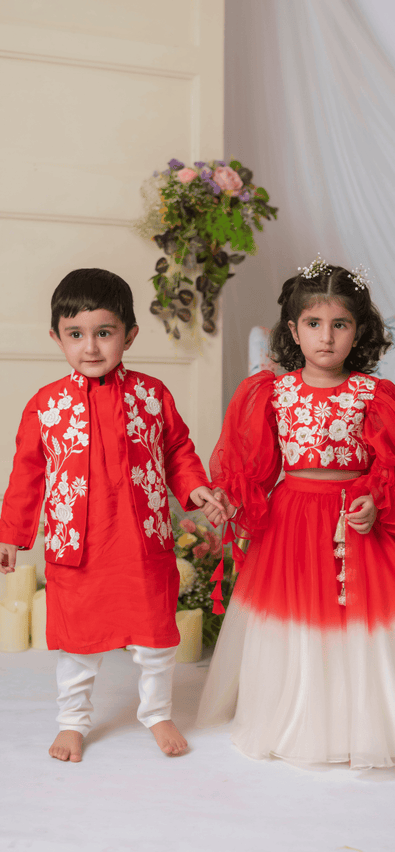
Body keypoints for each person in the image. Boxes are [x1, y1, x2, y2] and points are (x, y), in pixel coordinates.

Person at [197, 256, 395, 770]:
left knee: (363, 623)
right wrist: (230, 502)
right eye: (313, 324)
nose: (326, 337)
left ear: (358, 331)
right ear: (293, 330)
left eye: (340, 324)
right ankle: (301, 718)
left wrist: (375, 497)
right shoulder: (271, 393)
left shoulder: (373, 394)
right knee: (296, 618)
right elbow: (254, 468)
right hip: (292, 521)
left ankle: (369, 723)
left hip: (354, 521)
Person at [0, 268, 226, 763]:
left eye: (105, 333)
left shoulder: (152, 396)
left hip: (140, 544)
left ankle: (158, 712)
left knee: (155, 640)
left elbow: (178, 453)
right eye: (76, 334)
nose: (91, 347)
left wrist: (198, 490)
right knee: (79, 645)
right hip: (77, 548)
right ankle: (73, 721)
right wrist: (11, 535)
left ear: (129, 334)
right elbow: (26, 475)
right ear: (57, 336)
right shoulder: (46, 406)